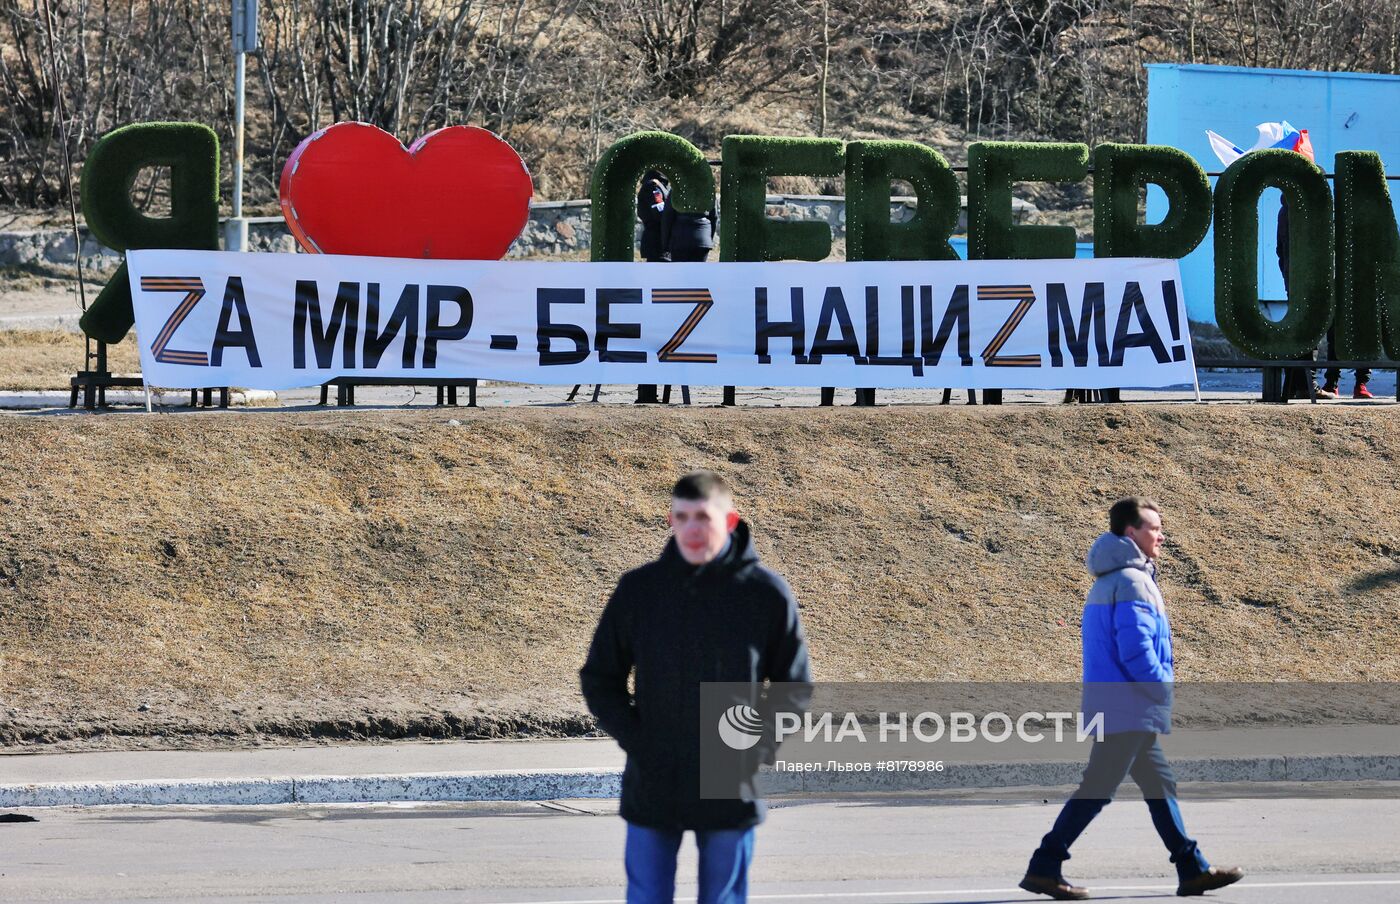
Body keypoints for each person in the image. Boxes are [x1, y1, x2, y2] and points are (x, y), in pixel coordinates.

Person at [581, 471, 812, 904]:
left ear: (729, 521)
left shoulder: (765, 594)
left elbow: (793, 685)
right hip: (654, 772)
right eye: (681, 516)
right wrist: (639, 740)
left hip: (728, 777)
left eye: (702, 516)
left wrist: (756, 748)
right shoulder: (641, 591)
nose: (690, 528)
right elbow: (600, 678)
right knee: (647, 898)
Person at [1019, 498, 1244, 900]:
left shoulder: (1109, 580)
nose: (1161, 535)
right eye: (1153, 528)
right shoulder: (1132, 581)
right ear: (1130, 533)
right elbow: (1136, 650)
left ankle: (1191, 867)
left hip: (1118, 705)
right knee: (1099, 789)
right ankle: (1044, 865)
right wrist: (1162, 688)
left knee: (1159, 785)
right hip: (1127, 707)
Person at [1276, 202, 1373, 399]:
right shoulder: (1311, 209)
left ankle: (1306, 385)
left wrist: (1288, 277)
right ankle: (1314, 384)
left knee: (1308, 332)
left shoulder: (1287, 209)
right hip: (1318, 281)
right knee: (1329, 331)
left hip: (1301, 280)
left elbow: (1280, 250)